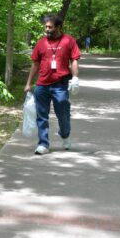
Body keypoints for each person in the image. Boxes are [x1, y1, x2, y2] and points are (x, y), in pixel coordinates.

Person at [24, 14, 80, 155]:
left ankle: (65, 134)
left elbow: (74, 60)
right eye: (46, 27)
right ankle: (43, 143)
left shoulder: (69, 41)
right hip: (42, 85)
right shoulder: (41, 42)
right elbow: (35, 63)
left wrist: (75, 78)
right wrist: (28, 83)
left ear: (59, 27)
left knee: (63, 114)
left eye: (50, 27)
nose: (47, 29)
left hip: (60, 85)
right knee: (41, 116)